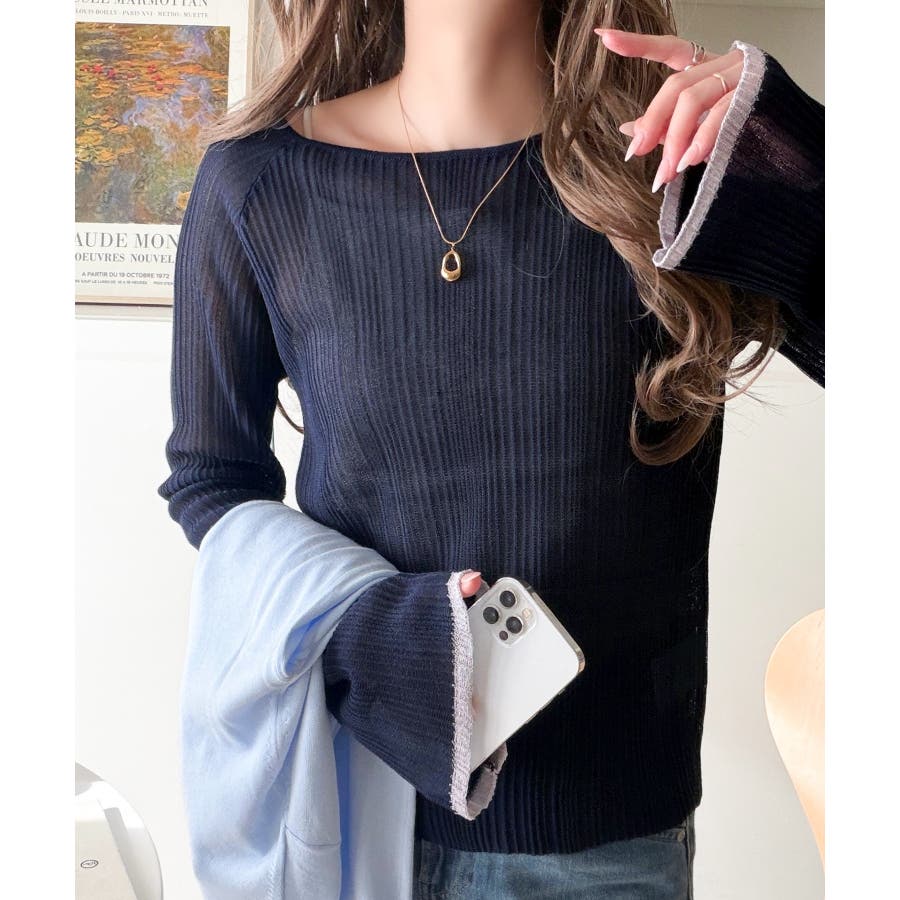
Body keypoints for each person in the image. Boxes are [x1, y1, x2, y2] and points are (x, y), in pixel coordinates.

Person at [158, 1, 823, 896]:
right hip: (361, 812)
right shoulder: (256, 186)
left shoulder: (668, 168)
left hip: (607, 844)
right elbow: (214, 481)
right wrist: (372, 633)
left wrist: (796, 153)